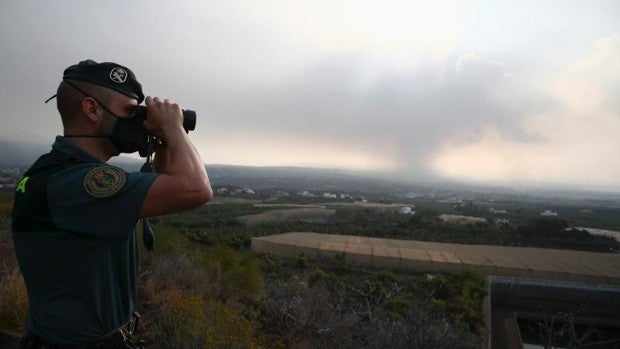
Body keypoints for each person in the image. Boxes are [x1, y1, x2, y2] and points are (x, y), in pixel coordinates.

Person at [11, 59, 213, 348]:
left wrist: (164, 141)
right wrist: (173, 127)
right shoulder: (77, 183)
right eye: (130, 112)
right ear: (92, 109)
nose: (137, 121)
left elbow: (167, 182)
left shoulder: (57, 171)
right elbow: (196, 189)